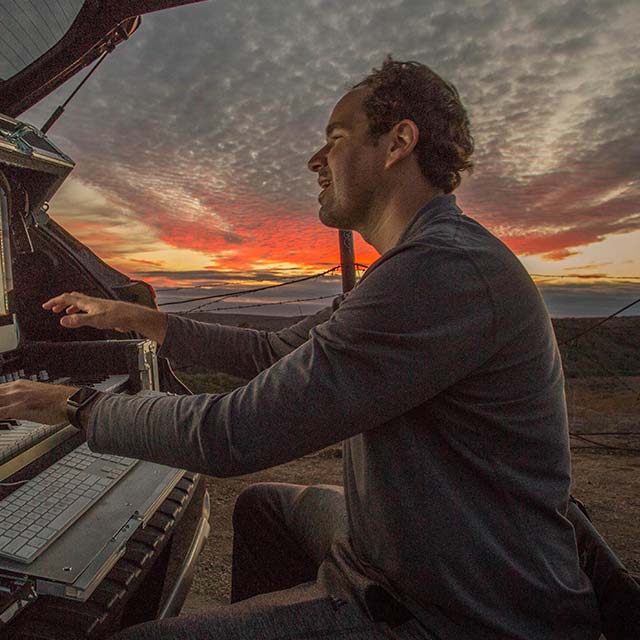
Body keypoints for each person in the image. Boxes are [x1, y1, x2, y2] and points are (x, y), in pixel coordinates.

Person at [0, 58, 601, 639]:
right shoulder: (414, 264)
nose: (316, 158)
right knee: (267, 510)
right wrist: (140, 318)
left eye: (335, 137)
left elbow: (232, 435)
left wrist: (72, 404)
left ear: (398, 143)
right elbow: (274, 353)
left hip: (459, 610)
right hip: (411, 553)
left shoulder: (442, 272)